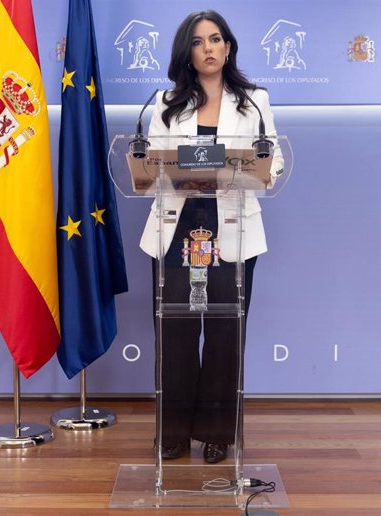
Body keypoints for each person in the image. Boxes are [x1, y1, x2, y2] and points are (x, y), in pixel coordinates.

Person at [139, 10, 283, 464]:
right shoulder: (164, 103)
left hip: (234, 227)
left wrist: (242, 172)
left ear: (228, 46)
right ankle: (174, 432)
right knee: (175, 331)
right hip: (176, 227)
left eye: (216, 39)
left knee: (225, 332)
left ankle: (219, 432)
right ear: (188, 52)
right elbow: (151, 167)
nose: (209, 48)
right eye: (199, 41)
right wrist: (180, 175)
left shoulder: (254, 100)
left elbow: (273, 162)